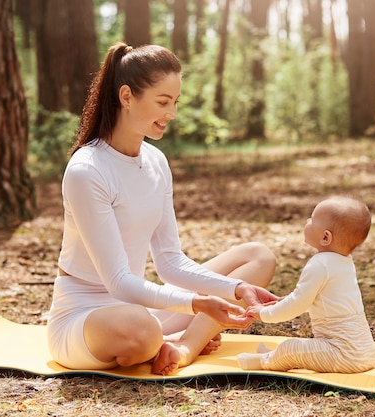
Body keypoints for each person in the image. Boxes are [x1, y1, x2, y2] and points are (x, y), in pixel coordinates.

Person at [47, 42, 278, 376]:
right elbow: (118, 283)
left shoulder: (156, 161)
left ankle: (184, 346)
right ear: (126, 96)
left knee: (258, 257)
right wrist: (198, 303)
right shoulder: (88, 169)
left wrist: (235, 289)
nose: (172, 113)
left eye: (175, 102)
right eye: (163, 101)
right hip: (86, 321)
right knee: (141, 329)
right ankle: (167, 339)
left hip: (141, 311)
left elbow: (170, 262)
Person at [236, 196, 375, 373]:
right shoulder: (344, 262)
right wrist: (284, 300)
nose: (307, 221)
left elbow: (298, 304)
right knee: (302, 350)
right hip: (363, 353)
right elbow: (319, 299)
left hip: (342, 355)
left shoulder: (320, 264)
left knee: (291, 347)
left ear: (326, 237)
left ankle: (263, 362)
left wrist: (264, 313)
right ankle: (275, 355)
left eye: (312, 219)